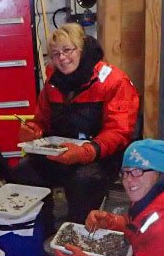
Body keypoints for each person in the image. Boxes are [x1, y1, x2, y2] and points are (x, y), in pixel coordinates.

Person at [11, 22, 140, 227]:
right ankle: (41, 229)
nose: (62, 58)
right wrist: (34, 131)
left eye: (67, 50)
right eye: (55, 54)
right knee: (22, 173)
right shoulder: (53, 82)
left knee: (83, 182)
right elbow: (42, 120)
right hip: (62, 153)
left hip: (100, 157)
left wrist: (87, 151)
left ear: (81, 49)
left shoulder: (113, 81)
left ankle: (77, 235)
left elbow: (119, 132)